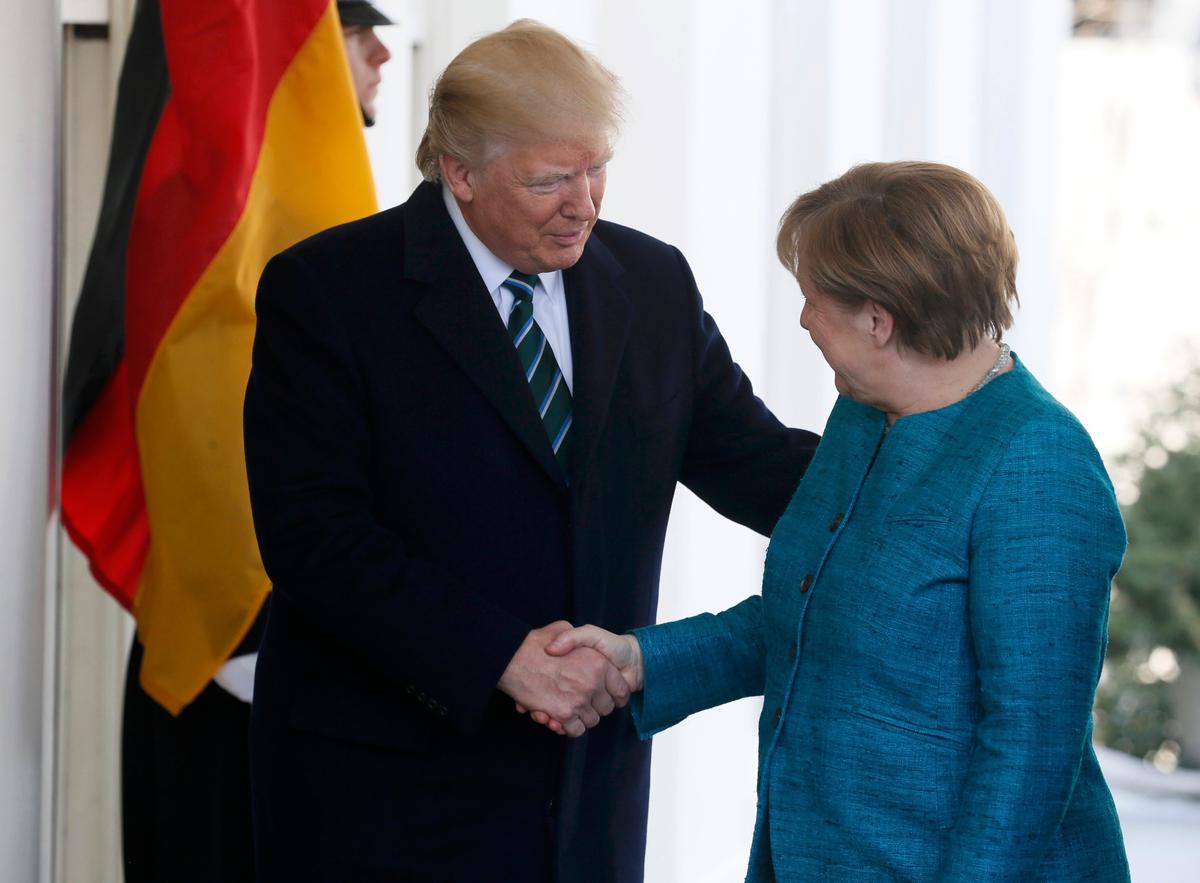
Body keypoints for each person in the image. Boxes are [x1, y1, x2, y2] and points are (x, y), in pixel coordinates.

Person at [242, 19, 818, 883]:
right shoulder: (327, 291)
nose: (585, 202)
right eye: (552, 179)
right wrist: (500, 656)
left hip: (586, 797)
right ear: (460, 173)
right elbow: (314, 539)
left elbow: (756, 460)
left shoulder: (653, 284)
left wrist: (933, 464)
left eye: (597, 168)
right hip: (386, 795)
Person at [545, 162, 1131, 881]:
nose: (803, 318)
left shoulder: (1037, 461)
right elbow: (810, 617)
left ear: (879, 319)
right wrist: (638, 660)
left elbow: (1031, 752)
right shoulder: (861, 414)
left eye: (814, 298)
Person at [119, 4, 393, 882]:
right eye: (354, 33)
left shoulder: (319, 228)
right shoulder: (282, 237)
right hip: (244, 639)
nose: (382, 49)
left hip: (262, 635)